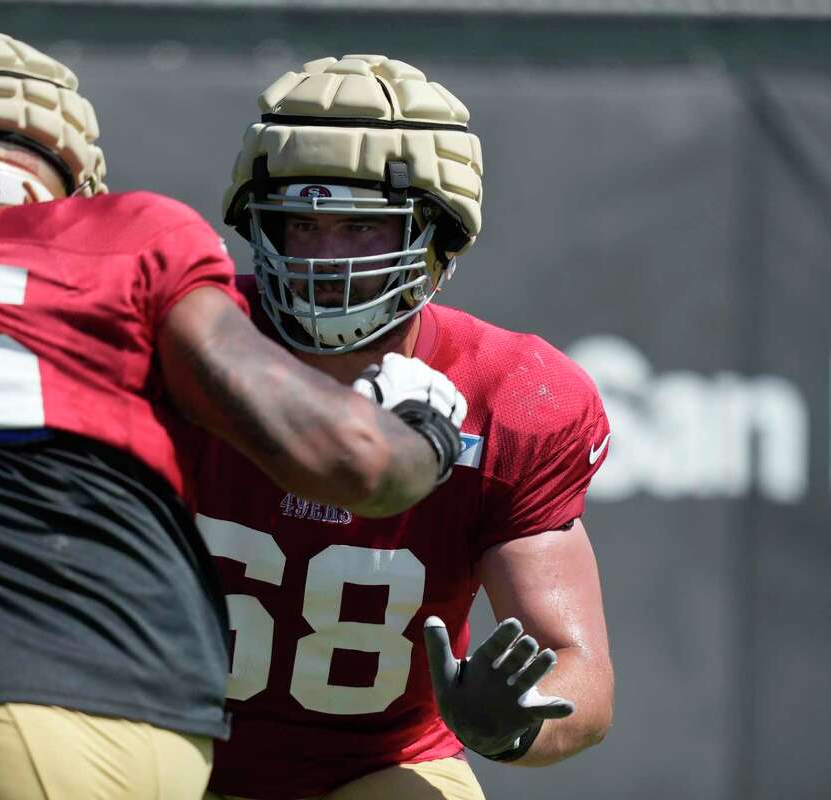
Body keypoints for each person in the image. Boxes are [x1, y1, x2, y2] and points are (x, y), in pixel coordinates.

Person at [0, 32, 465, 800]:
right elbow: (357, 460)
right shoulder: (132, 236)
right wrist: (424, 433)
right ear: (74, 170)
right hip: (167, 742)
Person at [190, 55, 614, 800]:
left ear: (438, 239)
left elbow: (577, 669)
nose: (324, 260)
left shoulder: (515, 395)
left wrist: (513, 725)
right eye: (300, 223)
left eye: (359, 225)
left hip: (377, 766)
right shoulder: (183, 343)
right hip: (160, 743)